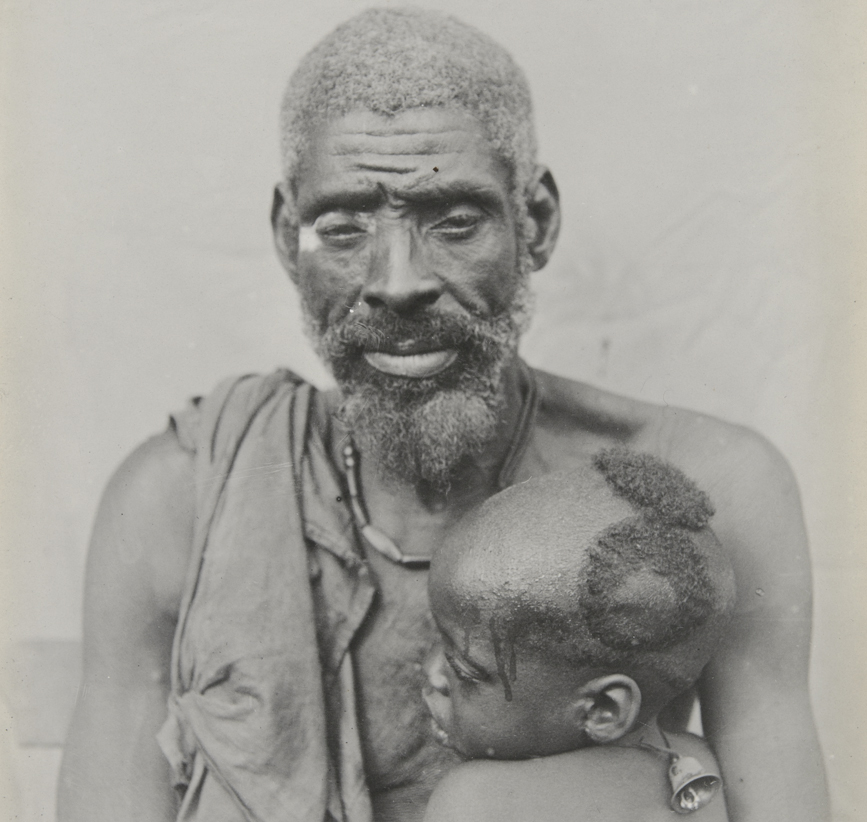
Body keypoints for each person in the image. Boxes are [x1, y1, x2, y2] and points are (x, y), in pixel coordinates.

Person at [57, 7, 828, 822]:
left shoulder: (700, 494)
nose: (397, 283)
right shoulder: (178, 503)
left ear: (533, 221)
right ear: (289, 238)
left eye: (454, 222)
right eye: (343, 227)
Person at [422, 450, 735, 822]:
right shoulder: (696, 769)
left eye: (466, 671)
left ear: (603, 710)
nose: (433, 673)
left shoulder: (477, 799)